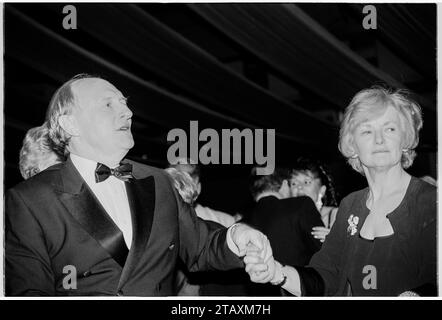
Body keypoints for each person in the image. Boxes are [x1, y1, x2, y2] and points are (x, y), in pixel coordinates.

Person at [5, 74, 272, 296]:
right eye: (108, 105)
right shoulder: (30, 199)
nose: (127, 112)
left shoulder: (158, 181)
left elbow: (201, 246)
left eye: (124, 103)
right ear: (70, 124)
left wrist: (237, 237)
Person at [245, 87, 437, 296]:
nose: (379, 139)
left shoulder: (430, 202)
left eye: (390, 129)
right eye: (367, 131)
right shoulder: (350, 206)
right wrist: (275, 272)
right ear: (353, 145)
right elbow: (323, 278)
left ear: (405, 138)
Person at [243, 167, 323, 295]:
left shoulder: (240, 226)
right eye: (292, 184)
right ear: (285, 184)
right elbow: (328, 258)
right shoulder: (301, 205)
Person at [290, 157, 339, 242]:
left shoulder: (336, 215)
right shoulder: (288, 219)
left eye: (306, 182)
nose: (299, 187)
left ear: (322, 190)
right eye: (294, 183)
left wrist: (335, 242)